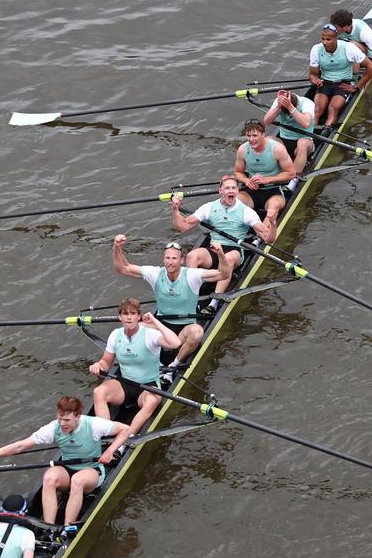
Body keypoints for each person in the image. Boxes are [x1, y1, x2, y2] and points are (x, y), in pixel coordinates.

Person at [0, 395, 133, 526]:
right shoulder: (54, 428)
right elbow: (20, 446)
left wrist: (110, 451)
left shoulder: (94, 424)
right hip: (67, 469)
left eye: (67, 420)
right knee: (49, 477)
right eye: (60, 419)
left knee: (77, 481)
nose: (62, 424)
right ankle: (49, 526)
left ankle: (67, 527)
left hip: (92, 471)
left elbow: (125, 430)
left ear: (77, 416)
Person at [112, 233, 231, 369]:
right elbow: (123, 268)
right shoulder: (155, 273)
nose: (170, 262)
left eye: (174, 258)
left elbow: (224, 274)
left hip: (185, 325)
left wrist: (221, 254)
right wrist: (117, 248)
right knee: (129, 328)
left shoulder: (192, 275)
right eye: (167, 258)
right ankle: (156, 363)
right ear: (163, 260)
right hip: (161, 324)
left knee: (197, 332)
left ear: (181, 260)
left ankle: (174, 366)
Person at [90, 298, 180, 435]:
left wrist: (155, 322)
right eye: (125, 314)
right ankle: (105, 433)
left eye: (133, 314)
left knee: (152, 400)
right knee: (98, 392)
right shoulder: (115, 335)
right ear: (120, 317)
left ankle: (127, 437)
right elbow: (106, 362)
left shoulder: (150, 334)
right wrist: (98, 365)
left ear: (138, 317)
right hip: (124, 384)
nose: (129, 317)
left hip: (147, 386)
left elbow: (175, 343)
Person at [171, 175, 274, 293]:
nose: (231, 191)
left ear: (237, 191)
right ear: (220, 191)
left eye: (234, 188)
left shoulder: (246, 212)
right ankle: (191, 293)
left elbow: (268, 239)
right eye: (227, 188)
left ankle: (215, 299)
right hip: (214, 249)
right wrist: (175, 210)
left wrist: (273, 222)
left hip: (234, 251)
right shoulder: (209, 207)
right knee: (191, 256)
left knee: (228, 258)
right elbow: (182, 227)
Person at [234, 118, 298, 231]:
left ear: (263, 134)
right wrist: (246, 181)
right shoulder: (243, 149)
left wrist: (267, 180)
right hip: (252, 191)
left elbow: (291, 173)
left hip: (274, 191)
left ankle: (262, 234)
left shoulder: (277, 149)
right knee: (233, 201)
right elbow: (238, 173)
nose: (251, 139)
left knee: (272, 209)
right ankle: (235, 232)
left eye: (255, 135)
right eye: (248, 136)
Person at [308, 22, 372, 126]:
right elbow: (313, 74)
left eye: (328, 39)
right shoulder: (316, 49)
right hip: (325, 83)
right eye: (323, 39)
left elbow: (371, 67)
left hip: (343, 85)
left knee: (332, 109)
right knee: (316, 110)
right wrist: (315, 79)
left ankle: (325, 133)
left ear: (336, 38)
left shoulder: (348, 48)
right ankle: (309, 137)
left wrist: (357, 86)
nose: (324, 42)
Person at [263, 88, 317, 174]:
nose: (288, 115)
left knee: (302, 143)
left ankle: (293, 178)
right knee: (267, 140)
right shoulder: (279, 101)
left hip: (303, 142)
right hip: (284, 142)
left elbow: (306, 123)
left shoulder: (307, 103)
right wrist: (278, 107)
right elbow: (266, 121)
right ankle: (266, 171)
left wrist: (290, 108)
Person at [329, 7, 372, 72]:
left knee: (352, 46)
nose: (334, 29)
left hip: (367, 55)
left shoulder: (363, 31)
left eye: (336, 27)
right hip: (348, 51)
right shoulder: (337, 29)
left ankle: (354, 76)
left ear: (345, 27)